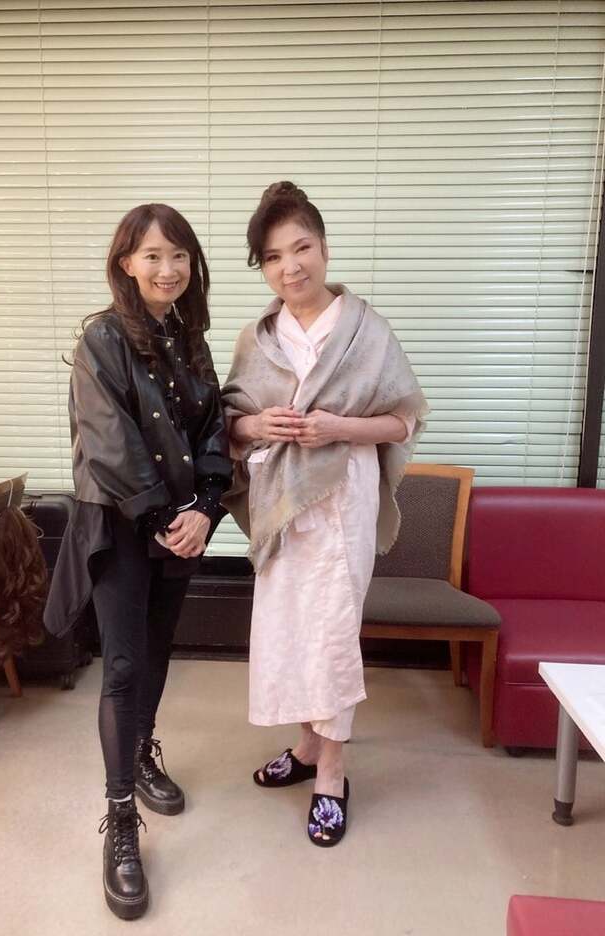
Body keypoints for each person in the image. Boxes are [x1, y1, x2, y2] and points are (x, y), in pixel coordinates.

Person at [222, 181, 428, 848]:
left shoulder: (367, 330)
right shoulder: (258, 339)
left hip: (342, 500)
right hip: (283, 505)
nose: (291, 266)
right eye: (273, 256)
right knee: (289, 628)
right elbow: (230, 421)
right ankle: (308, 746)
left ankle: (332, 773)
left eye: (301, 247)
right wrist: (257, 423)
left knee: (334, 631)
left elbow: (403, 420)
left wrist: (339, 426)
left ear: (325, 248)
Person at [45, 204, 231, 919]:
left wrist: (205, 508)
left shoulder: (189, 336)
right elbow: (109, 442)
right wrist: (163, 520)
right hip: (124, 527)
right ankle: (120, 816)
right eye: (153, 255)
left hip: (178, 525)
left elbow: (212, 429)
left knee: (156, 651)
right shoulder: (101, 338)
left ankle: (143, 751)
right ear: (126, 263)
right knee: (122, 666)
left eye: (179, 255)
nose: (168, 269)